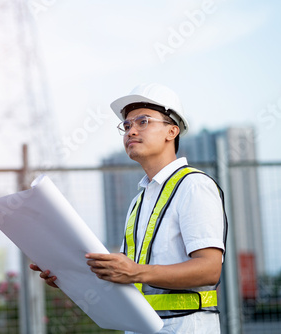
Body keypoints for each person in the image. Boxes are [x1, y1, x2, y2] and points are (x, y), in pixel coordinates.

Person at [30, 83, 228, 334]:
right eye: (126, 125)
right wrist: (69, 277)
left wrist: (137, 272)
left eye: (143, 121)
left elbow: (210, 269)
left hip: (186, 326)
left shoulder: (194, 186)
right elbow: (126, 276)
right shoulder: (140, 200)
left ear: (172, 131)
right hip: (140, 327)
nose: (131, 131)